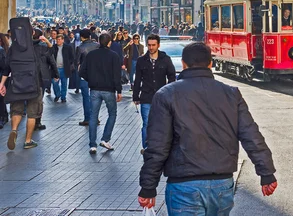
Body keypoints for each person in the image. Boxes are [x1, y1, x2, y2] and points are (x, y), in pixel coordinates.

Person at [138, 42, 277, 214]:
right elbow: (251, 135)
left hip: (183, 186)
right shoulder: (231, 94)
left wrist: (148, 187)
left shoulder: (166, 94)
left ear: (183, 64)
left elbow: (158, 145)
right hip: (222, 185)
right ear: (210, 63)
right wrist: (266, 173)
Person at [0, 28, 57, 149]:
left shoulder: (13, 48)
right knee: (32, 114)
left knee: (16, 110)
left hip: (17, 84)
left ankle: (14, 130)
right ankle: (27, 140)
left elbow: (7, 67)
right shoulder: (39, 47)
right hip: (34, 84)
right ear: (32, 34)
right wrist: (46, 40)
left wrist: (2, 83)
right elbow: (52, 51)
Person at [80, 33, 123, 154]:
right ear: (109, 43)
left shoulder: (91, 55)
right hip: (109, 89)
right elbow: (116, 75)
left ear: (99, 42)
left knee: (93, 116)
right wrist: (118, 90)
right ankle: (105, 139)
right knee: (112, 113)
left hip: (94, 89)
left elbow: (82, 71)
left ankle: (92, 145)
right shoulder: (114, 56)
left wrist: (91, 79)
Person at [133, 34, 176, 153]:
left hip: (162, 97)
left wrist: (170, 92)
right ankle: (146, 148)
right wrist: (136, 96)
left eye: (153, 45)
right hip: (146, 96)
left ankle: (161, 147)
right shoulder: (141, 60)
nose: (151, 47)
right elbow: (137, 80)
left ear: (158, 45)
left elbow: (171, 76)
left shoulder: (165, 59)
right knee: (147, 123)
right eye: (149, 45)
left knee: (162, 123)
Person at [75, 29, 99, 126]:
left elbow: (76, 61)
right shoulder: (97, 45)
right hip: (97, 74)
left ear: (81, 37)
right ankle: (95, 118)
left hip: (85, 75)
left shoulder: (80, 48)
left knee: (86, 97)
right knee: (95, 97)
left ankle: (88, 118)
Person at [52, 34, 75, 103]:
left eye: (59, 40)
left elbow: (72, 57)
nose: (58, 41)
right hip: (56, 69)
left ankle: (63, 97)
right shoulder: (54, 47)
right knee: (54, 83)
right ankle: (57, 94)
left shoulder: (68, 47)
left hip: (64, 68)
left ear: (63, 40)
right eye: (57, 40)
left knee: (64, 83)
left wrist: (68, 63)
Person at [0, 34, 8, 129]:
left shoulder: (1, 51)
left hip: (1, 78)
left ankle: (2, 118)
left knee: (1, 99)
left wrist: (2, 82)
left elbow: (4, 67)